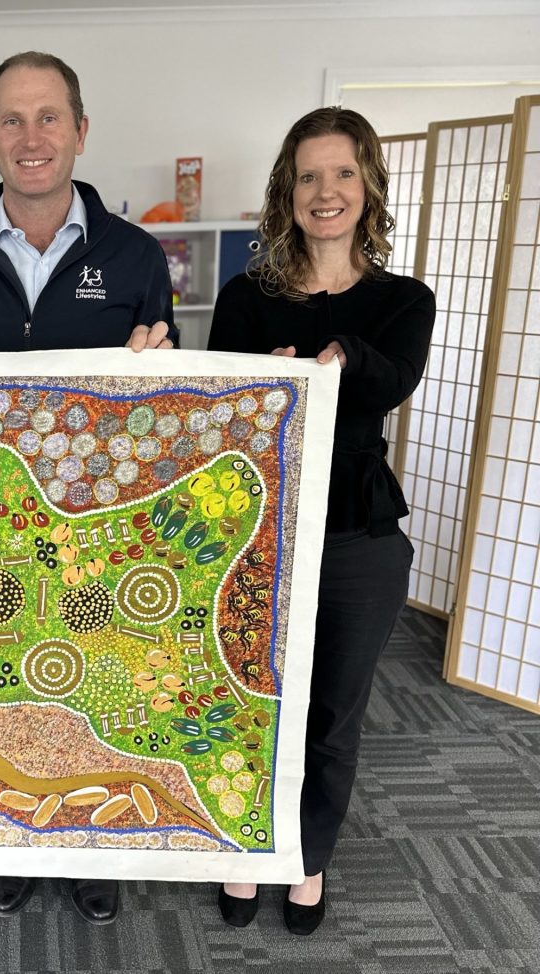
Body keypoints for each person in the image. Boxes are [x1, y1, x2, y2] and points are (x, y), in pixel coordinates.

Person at [0, 51, 176, 925]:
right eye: (12, 120)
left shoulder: (135, 254)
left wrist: (165, 371)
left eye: (49, 117)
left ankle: (88, 854)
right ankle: (5, 839)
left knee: (93, 687)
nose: (32, 137)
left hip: (92, 531)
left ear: (80, 130)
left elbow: (162, 400)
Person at [208, 108, 435, 935]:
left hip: (355, 537)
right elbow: (218, 417)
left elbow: (387, 381)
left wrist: (333, 359)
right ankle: (243, 854)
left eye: (342, 173)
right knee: (248, 704)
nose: (326, 191)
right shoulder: (246, 297)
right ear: (288, 191)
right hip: (253, 534)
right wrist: (253, 387)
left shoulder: (403, 300)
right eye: (309, 176)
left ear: (369, 184)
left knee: (333, 716)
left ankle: (306, 864)